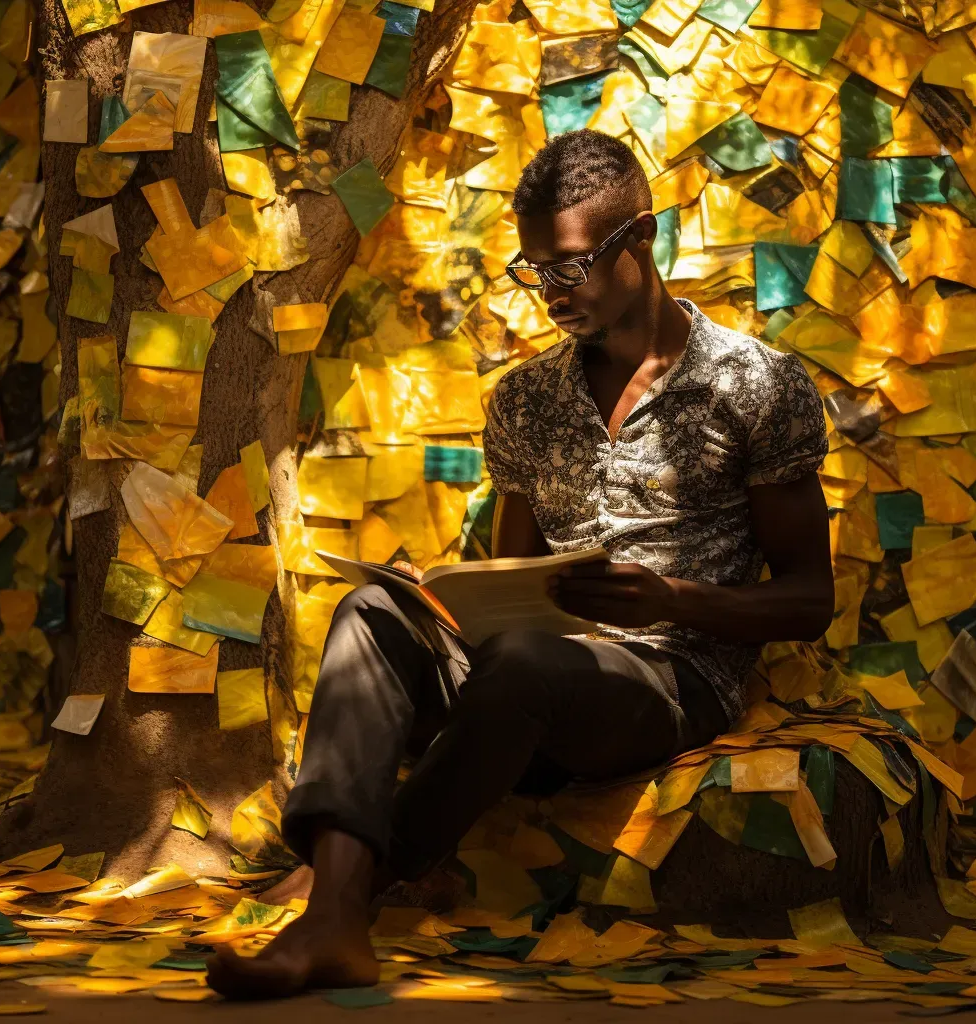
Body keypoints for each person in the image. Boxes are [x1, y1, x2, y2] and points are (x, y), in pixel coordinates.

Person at [206, 129, 834, 999]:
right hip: (527, 680)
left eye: (568, 268)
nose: (548, 293)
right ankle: (336, 920)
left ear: (641, 239)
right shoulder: (525, 398)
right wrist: (440, 600)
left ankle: (344, 898)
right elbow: (513, 587)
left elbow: (810, 599)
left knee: (533, 664)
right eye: (533, 269)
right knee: (370, 618)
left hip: (669, 680)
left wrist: (670, 598)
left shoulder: (758, 386)